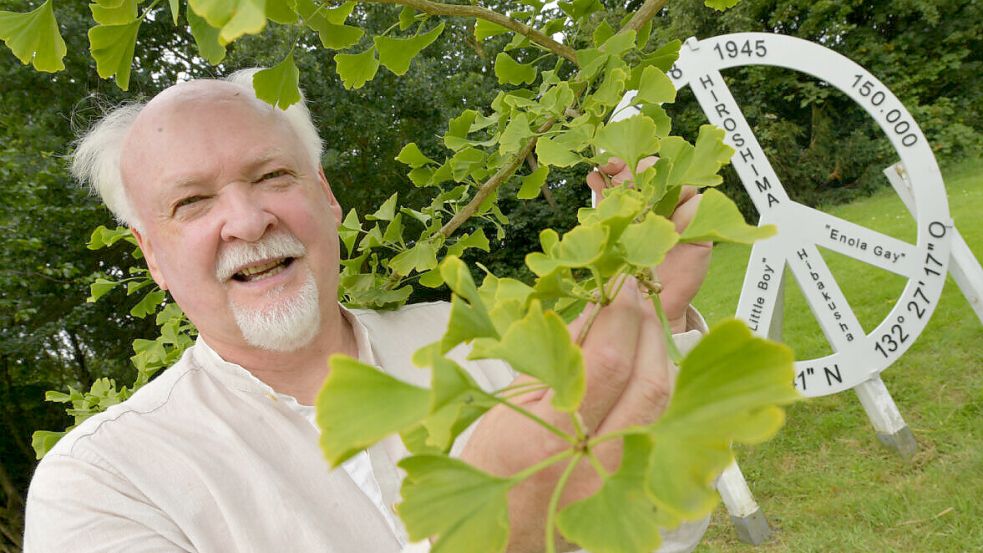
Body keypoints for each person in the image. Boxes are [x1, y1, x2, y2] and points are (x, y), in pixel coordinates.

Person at [23, 70, 712, 553]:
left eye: (272, 176)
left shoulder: (480, 340)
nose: (246, 219)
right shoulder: (102, 481)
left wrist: (656, 309)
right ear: (152, 258)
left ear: (326, 198)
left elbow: (661, 527)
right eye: (192, 202)